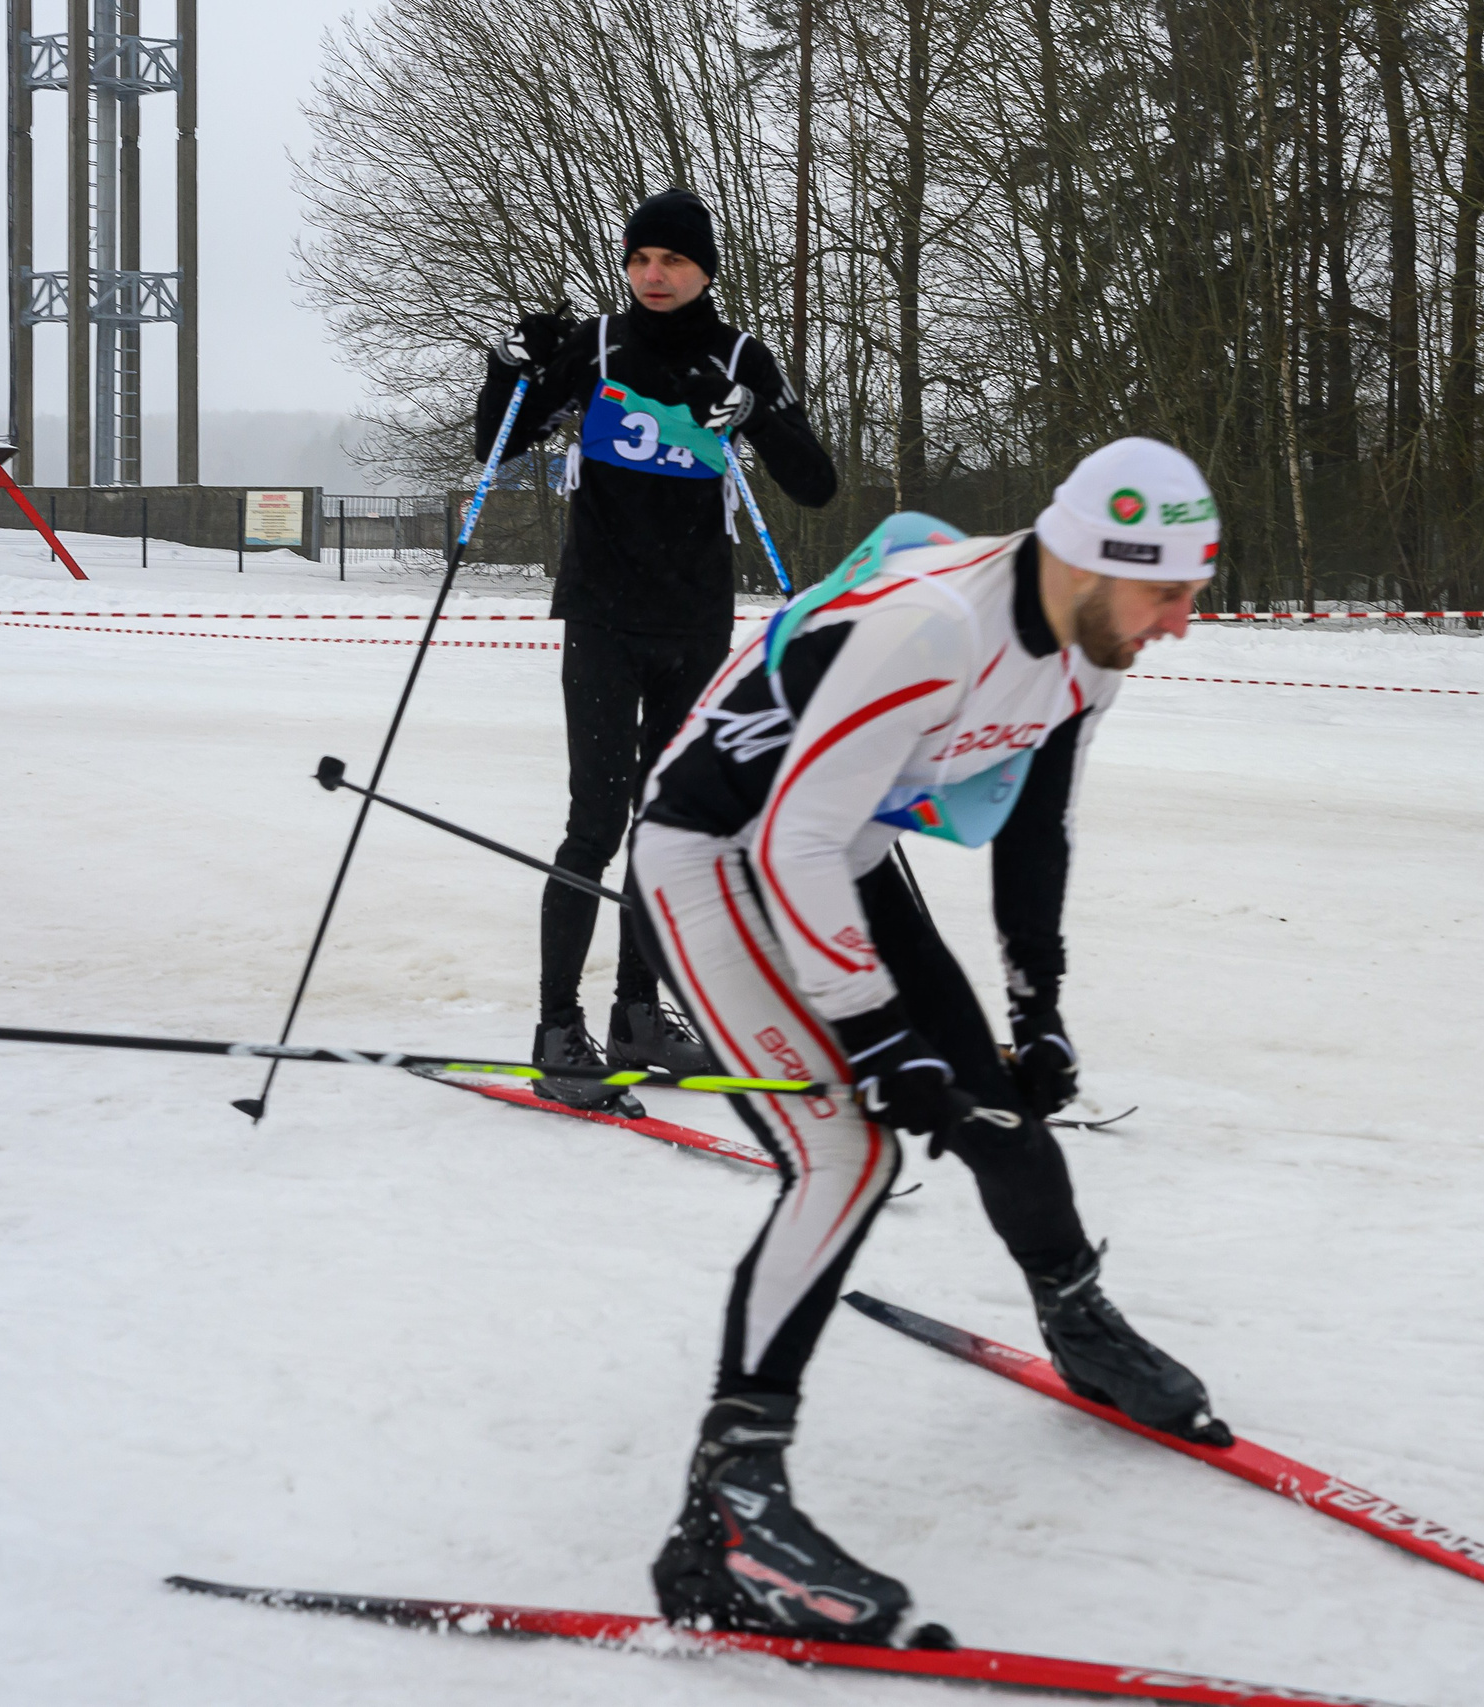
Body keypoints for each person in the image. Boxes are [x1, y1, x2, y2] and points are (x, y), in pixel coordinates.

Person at [624, 438, 1232, 1647]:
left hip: (832, 855)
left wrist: (1035, 1006)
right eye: (1168, 593)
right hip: (714, 857)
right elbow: (788, 840)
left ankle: (1077, 1321)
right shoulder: (932, 626)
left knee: (998, 1105)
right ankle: (727, 1520)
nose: (1180, 623)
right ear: (1090, 561)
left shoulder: (1088, 648)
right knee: (847, 1159)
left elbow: (1038, 829)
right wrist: (874, 1036)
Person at [476, 188, 838, 1113]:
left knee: (667, 826)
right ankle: (557, 1030)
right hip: (604, 616)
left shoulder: (739, 357)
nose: (653, 275)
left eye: (672, 260)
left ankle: (638, 1013)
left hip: (693, 623)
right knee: (595, 821)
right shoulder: (598, 346)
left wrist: (754, 413)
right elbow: (497, 446)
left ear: (704, 269)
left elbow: (816, 483)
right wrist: (507, 369)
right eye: (640, 259)